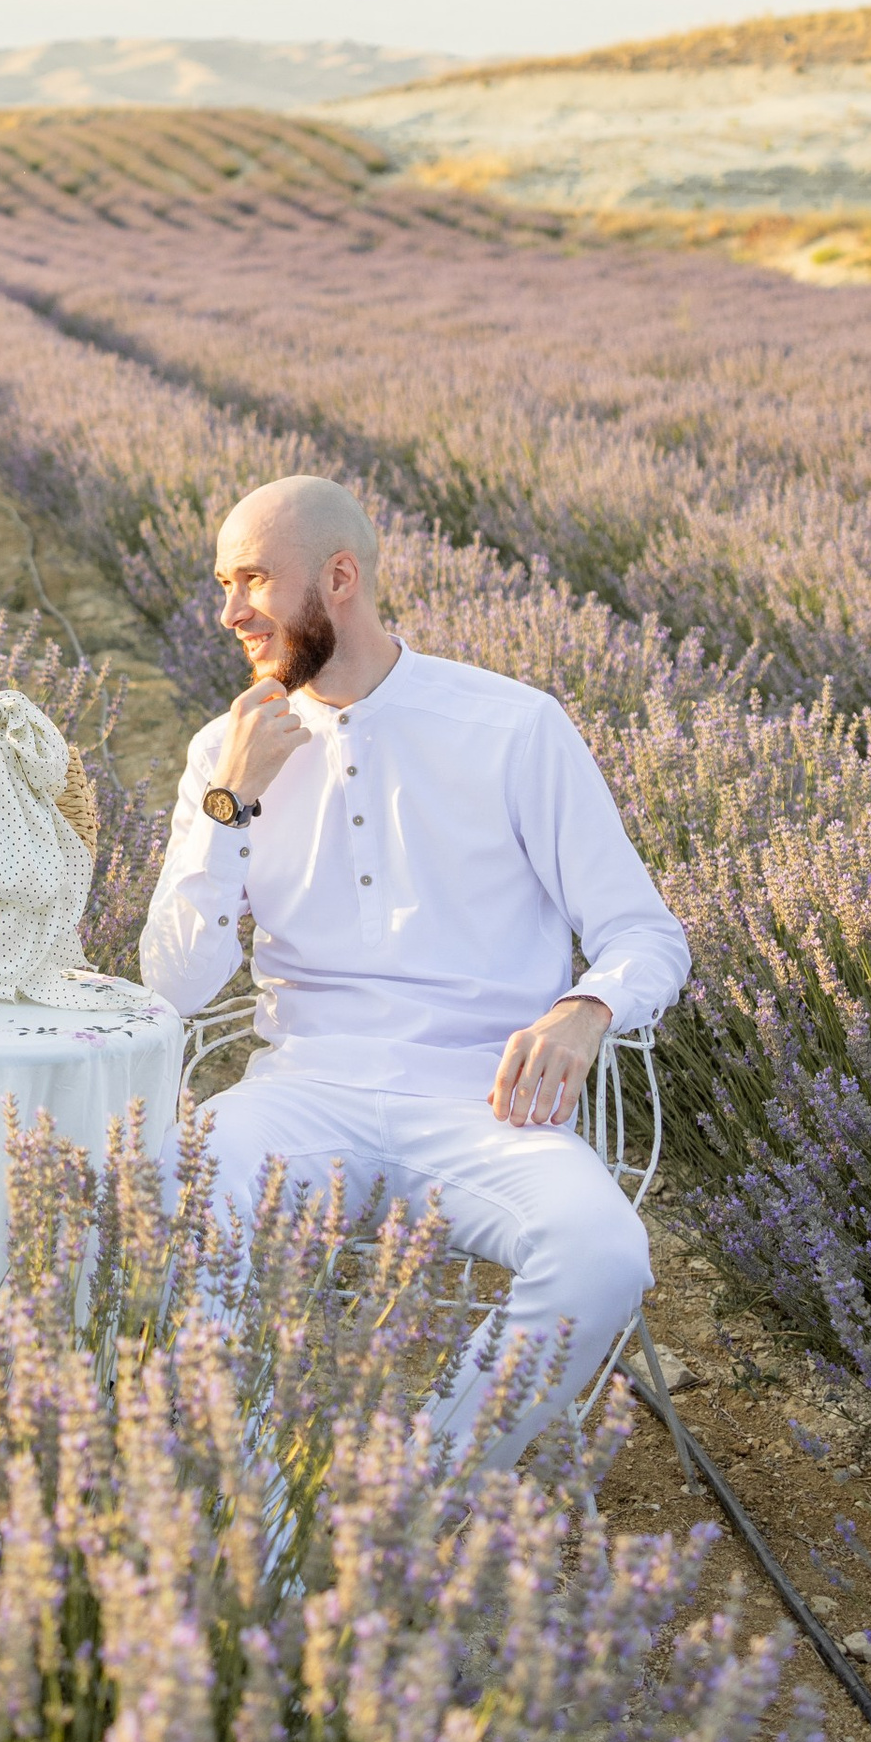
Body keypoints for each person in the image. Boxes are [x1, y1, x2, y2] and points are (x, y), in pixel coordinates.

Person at [139, 476, 690, 1471]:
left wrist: (583, 1007)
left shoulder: (512, 727)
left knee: (601, 1258)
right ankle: (252, 1522)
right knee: (152, 1214)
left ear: (338, 578)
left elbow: (641, 932)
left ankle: (414, 1498)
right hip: (303, 1092)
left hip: (484, 1103)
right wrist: (229, 801)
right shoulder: (219, 754)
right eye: (221, 584)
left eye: (252, 580)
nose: (226, 614)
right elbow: (173, 986)